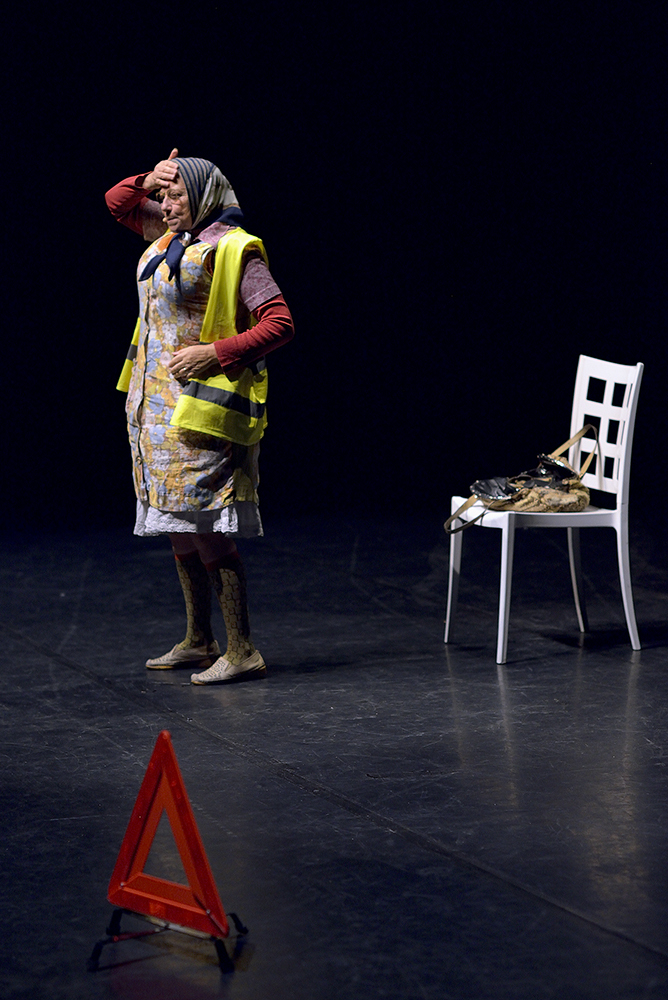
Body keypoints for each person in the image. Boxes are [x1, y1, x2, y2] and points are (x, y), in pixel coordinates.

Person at [106, 149, 294, 685]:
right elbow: (116, 202)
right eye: (161, 197)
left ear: (206, 196)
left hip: (200, 407)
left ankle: (242, 648)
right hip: (152, 407)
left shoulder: (231, 248)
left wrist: (216, 353)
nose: (163, 206)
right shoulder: (166, 237)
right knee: (177, 526)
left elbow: (279, 322)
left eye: (175, 196)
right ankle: (198, 640)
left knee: (206, 526)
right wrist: (150, 176)